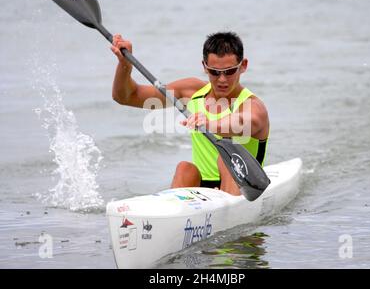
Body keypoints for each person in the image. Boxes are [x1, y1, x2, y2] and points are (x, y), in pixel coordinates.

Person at [111, 31, 269, 196]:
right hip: (204, 193)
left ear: (243, 66)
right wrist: (125, 65)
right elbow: (125, 96)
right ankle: (171, 213)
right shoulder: (191, 90)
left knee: (225, 160)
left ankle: (225, 199)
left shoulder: (253, 106)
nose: (222, 79)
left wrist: (208, 123)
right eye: (214, 72)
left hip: (243, 186)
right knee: (185, 169)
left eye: (229, 71)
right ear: (204, 67)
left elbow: (242, 123)